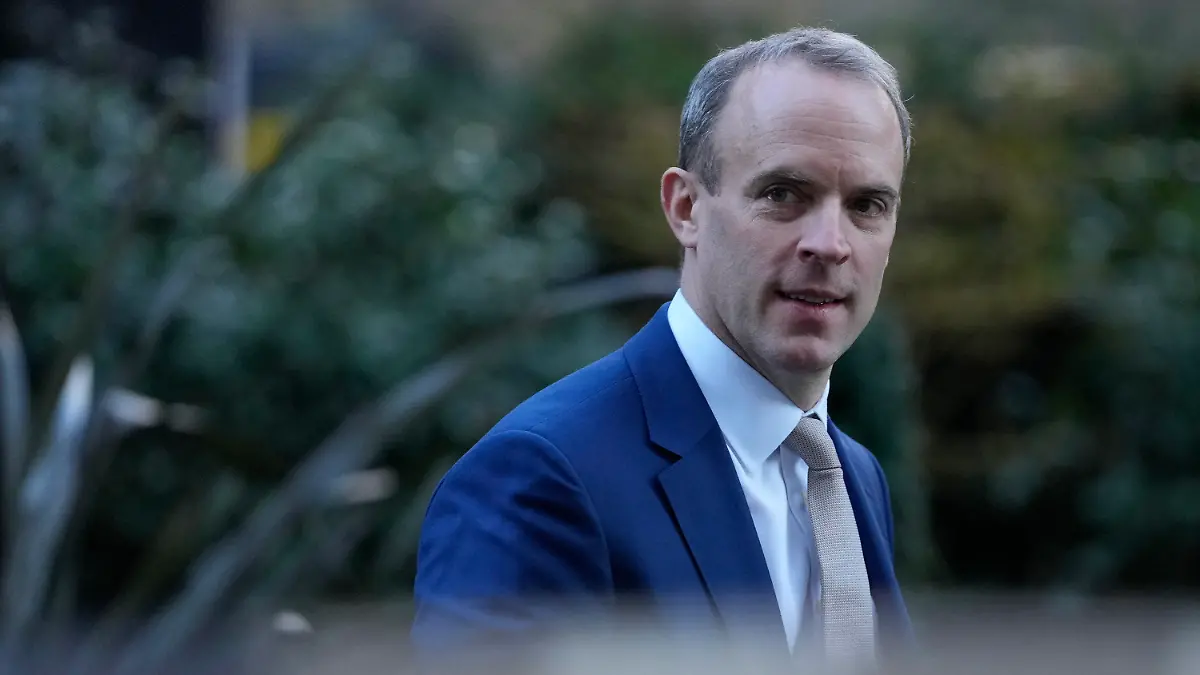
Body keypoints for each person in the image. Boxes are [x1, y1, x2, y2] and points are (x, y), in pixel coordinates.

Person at [411, 25, 914, 668]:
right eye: (783, 194)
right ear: (685, 208)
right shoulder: (540, 479)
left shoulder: (854, 477)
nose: (830, 243)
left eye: (868, 204)